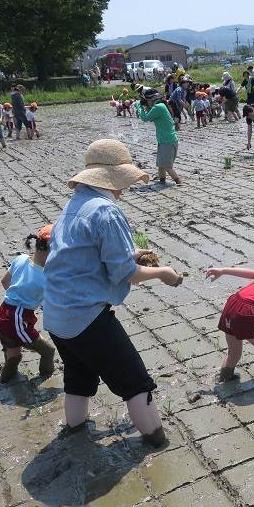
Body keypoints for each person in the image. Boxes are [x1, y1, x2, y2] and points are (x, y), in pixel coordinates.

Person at [42, 139, 182, 446]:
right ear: (112, 177)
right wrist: (163, 273)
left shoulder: (75, 203)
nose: (125, 188)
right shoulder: (107, 211)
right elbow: (124, 273)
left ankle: (76, 432)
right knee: (136, 383)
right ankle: (157, 441)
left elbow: (85, 254)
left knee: (78, 378)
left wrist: (132, 250)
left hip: (56, 314)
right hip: (86, 316)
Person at [0, 225, 56, 383]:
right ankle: (46, 378)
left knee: (14, 354)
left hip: (4, 313)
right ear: (49, 250)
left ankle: (5, 382)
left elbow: (4, 282)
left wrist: (20, 296)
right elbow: (53, 303)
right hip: (17, 318)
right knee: (48, 351)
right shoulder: (46, 277)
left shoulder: (21, 259)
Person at [138, 89, 181, 185]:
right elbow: (150, 115)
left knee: (167, 166)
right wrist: (146, 106)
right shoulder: (159, 106)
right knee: (161, 164)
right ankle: (162, 181)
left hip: (168, 141)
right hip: (165, 140)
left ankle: (178, 182)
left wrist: (139, 107)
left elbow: (145, 118)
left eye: (147, 100)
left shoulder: (159, 107)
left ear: (152, 99)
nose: (146, 102)